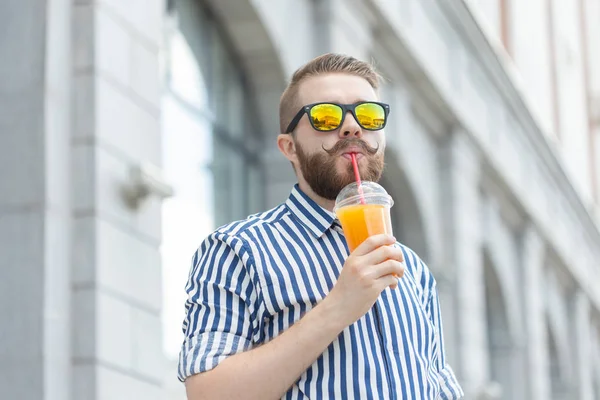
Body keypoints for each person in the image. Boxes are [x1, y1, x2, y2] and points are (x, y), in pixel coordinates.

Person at [178, 53, 464, 399]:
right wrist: (338, 307)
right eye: (326, 116)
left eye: (368, 115)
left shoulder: (413, 270)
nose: (352, 127)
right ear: (289, 148)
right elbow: (208, 394)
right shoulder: (237, 250)